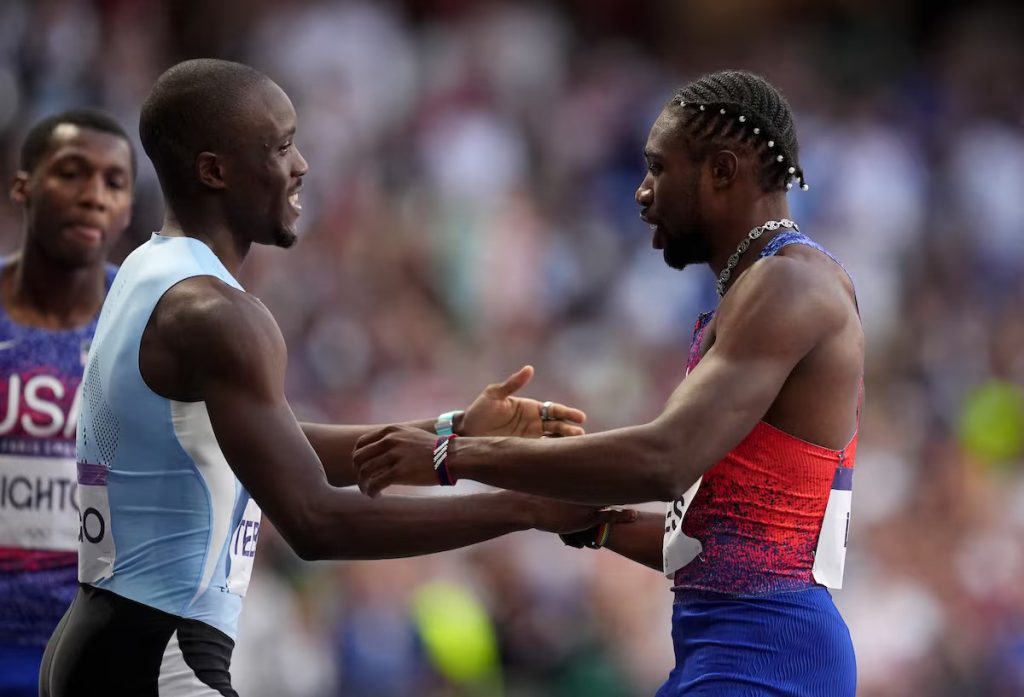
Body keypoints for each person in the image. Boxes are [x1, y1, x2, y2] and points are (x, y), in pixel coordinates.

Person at [38, 59, 630, 697]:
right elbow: (316, 522)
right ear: (214, 170)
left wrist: (452, 437)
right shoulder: (219, 315)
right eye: (282, 145)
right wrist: (529, 508)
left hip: (111, 643)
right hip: (157, 660)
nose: (303, 166)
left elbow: (282, 449)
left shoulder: (150, 272)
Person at [353, 70, 864, 697]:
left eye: (657, 169)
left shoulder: (789, 286)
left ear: (722, 171)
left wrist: (451, 456)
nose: (643, 193)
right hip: (737, 650)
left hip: (765, 658)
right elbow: (724, 544)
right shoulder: (756, 290)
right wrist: (592, 525)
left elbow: (663, 460)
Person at [0, 110, 134, 697]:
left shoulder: (150, 325)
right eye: (72, 173)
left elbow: (251, 439)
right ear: (24, 185)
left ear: (129, 207)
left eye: (114, 183)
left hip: (93, 649)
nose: (93, 197)